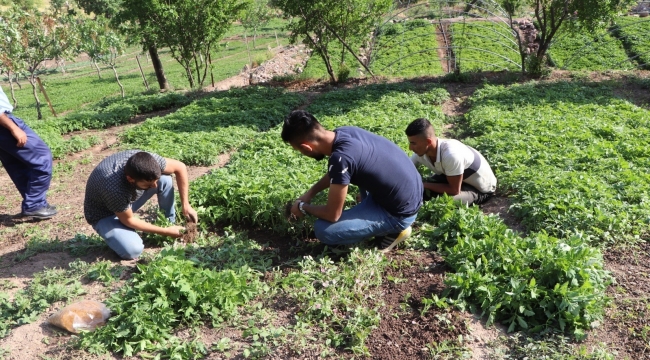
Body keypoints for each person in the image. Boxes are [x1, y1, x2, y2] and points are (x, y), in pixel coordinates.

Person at [282, 110, 423, 252]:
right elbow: (337, 172)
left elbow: (333, 214)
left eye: (300, 151)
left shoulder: (341, 159)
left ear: (306, 147)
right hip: (410, 192)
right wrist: (310, 193)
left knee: (323, 230)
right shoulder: (345, 132)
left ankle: (394, 231)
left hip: (399, 213)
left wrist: (302, 207)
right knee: (358, 169)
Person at [84, 150, 198, 260]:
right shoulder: (114, 188)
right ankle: (169, 230)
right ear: (130, 179)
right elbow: (128, 220)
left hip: (125, 203)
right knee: (132, 250)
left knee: (165, 180)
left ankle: (170, 222)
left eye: (155, 181)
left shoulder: (145, 161)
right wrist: (165, 232)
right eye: (148, 184)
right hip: (106, 214)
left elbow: (180, 167)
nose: (154, 186)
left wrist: (186, 205)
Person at [405, 118, 496, 205]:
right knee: (419, 191)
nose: (410, 148)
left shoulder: (451, 155)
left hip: (479, 189)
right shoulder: (420, 152)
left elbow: (454, 190)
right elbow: (405, 171)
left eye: (413, 143)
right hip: (454, 179)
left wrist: (423, 185)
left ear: (428, 142)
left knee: (443, 202)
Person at [0, 85, 57, 219]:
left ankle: (35, 204)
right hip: (4, 123)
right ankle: (34, 205)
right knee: (42, 158)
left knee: (17, 164)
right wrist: (13, 128)